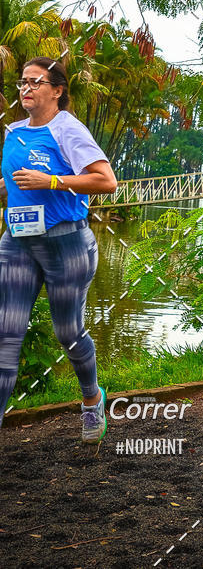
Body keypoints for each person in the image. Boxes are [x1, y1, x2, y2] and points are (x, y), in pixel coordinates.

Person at [0, 58, 117, 443]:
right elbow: (14, 184)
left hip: (65, 241)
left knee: (68, 332)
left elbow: (105, 181)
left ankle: (90, 399)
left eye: (36, 82)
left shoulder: (68, 127)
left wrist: (50, 181)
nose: (26, 89)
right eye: (22, 83)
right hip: (17, 241)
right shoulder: (14, 131)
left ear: (58, 90)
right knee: (6, 335)